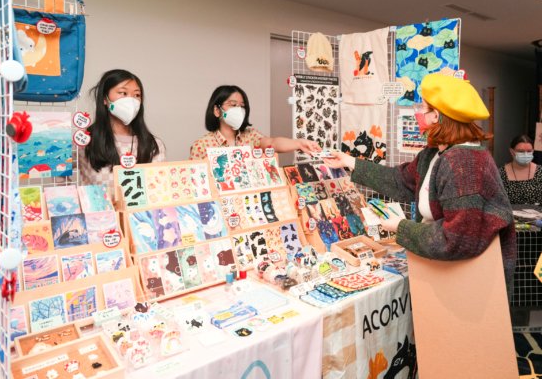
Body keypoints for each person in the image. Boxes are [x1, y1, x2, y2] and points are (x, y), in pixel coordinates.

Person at [324, 73, 516, 292]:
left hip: (468, 284)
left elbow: (457, 239)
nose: (417, 113)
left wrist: (401, 227)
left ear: (436, 116)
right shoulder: (435, 153)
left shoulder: (464, 163)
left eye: (423, 107)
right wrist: (349, 161)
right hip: (444, 271)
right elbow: (401, 181)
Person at [79, 69, 165, 198]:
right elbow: (61, 175)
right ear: (105, 99)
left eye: (137, 95)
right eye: (123, 93)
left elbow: (158, 191)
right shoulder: (85, 139)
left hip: (141, 211)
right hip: (99, 211)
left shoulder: (153, 145)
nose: (131, 100)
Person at [189, 85, 321, 159]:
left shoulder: (251, 135)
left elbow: (273, 143)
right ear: (217, 110)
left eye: (242, 106)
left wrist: (298, 143)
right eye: (233, 105)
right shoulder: (201, 145)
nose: (238, 110)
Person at [499, 134, 542, 205]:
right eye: (521, 151)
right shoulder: (500, 174)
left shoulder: (540, 172)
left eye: (529, 151)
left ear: (533, 151)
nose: (525, 154)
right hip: (508, 212)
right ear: (512, 151)